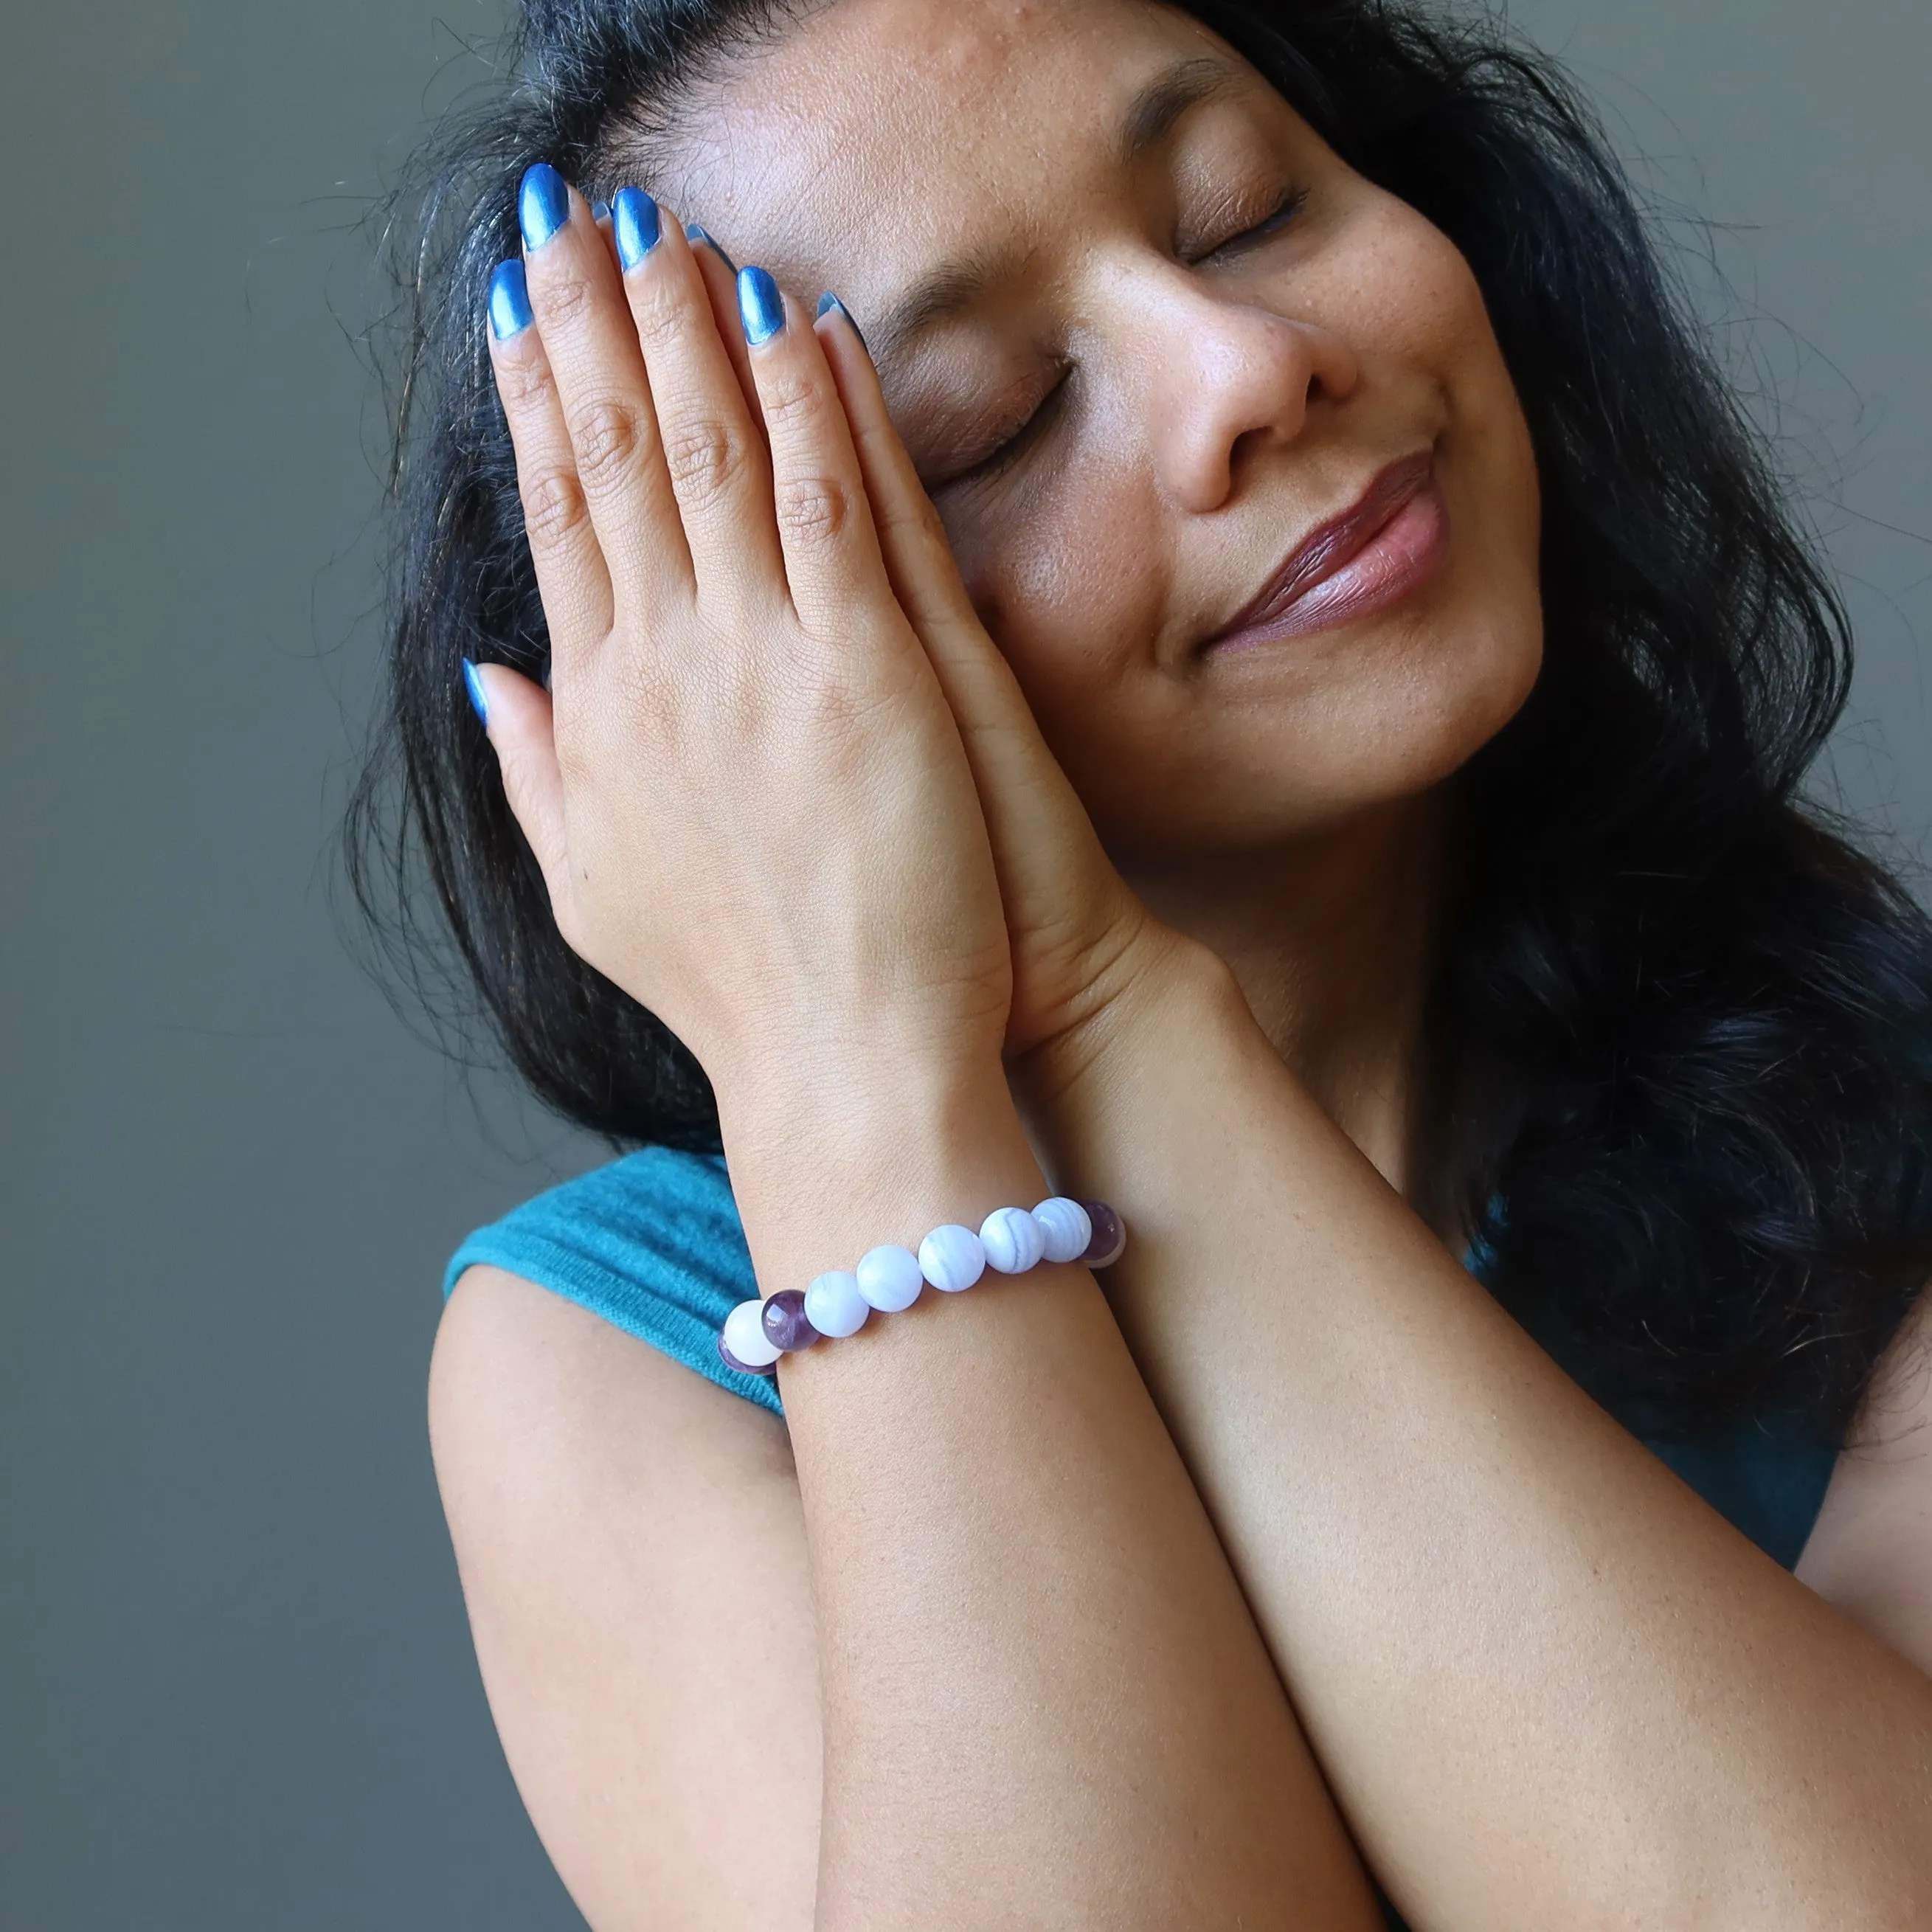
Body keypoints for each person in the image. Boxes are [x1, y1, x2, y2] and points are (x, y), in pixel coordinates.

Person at [348, 0, 1932, 1924]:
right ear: (728, 669)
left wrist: (1107, 1011)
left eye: (1246, 208)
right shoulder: (612, 1358)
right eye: (993, 421)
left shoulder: (1890, 1112)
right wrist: (868, 1080)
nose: (1250, 365)